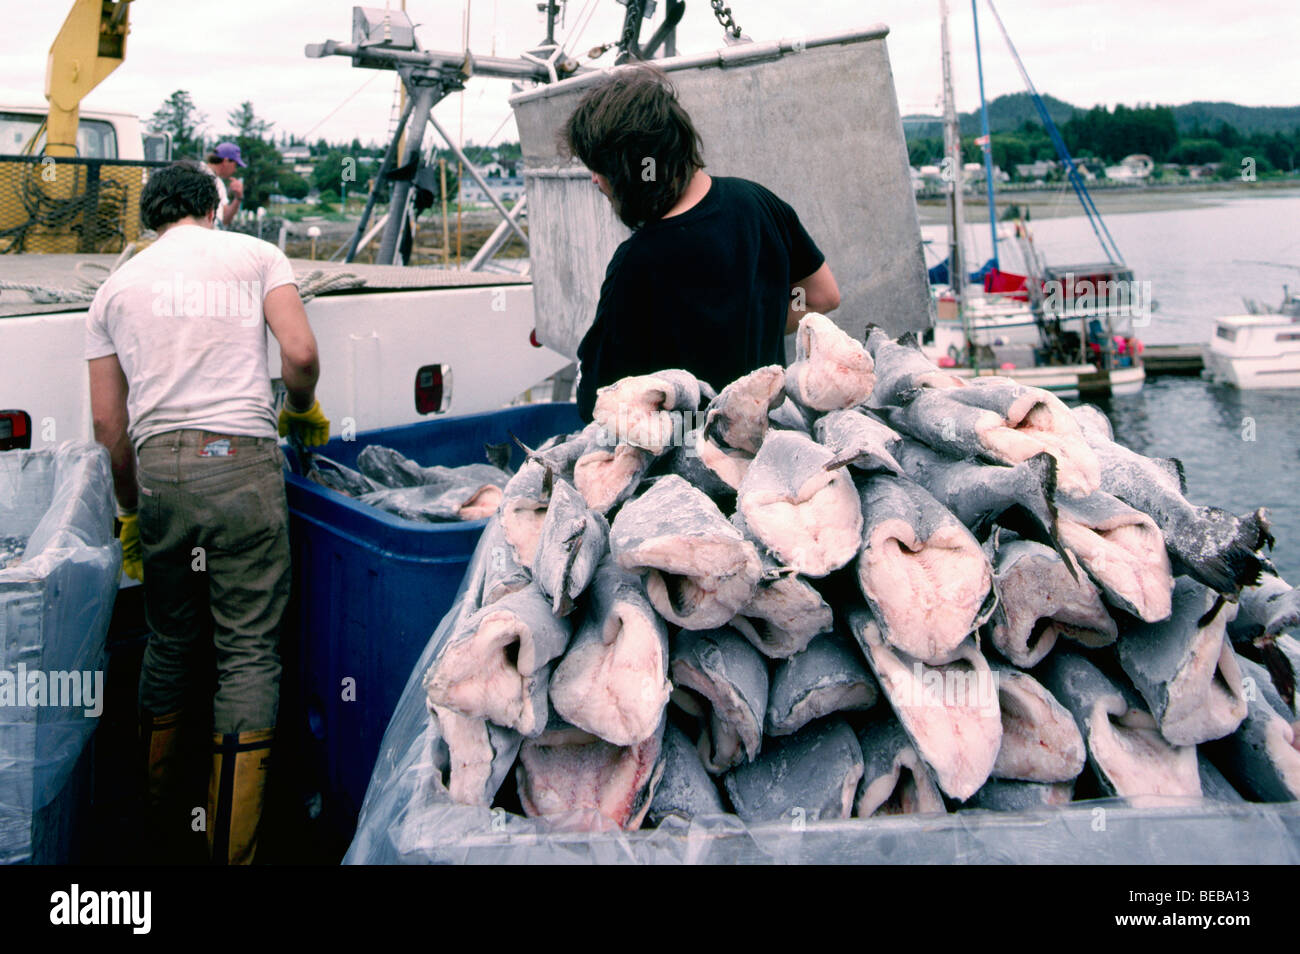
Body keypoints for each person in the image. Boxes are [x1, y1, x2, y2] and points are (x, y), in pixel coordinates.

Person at [85, 160, 330, 864]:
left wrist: (132, 515)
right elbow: (301, 352)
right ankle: (233, 848)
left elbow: (109, 427)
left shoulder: (114, 289)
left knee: (168, 643)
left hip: (162, 471)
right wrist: (301, 408)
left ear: (150, 220)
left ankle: (160, 829)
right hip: (245, 463)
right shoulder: (256, 254)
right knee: (248, 653)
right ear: (214, 209)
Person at [563, 66, 840, 421]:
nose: (595, 180)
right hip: (769, 441)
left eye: (600, 168)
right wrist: (755, 324)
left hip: (690, 464)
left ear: (631, 171)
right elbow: (822, 296)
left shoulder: (637, 263)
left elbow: (599, 406)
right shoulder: (760, 203)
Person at [204, 141, 246, 228]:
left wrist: (238, 197)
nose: (235, 170)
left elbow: (225, 220)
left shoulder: (219, 183)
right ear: (226, 161)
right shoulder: (197, 174)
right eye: (236, 165)